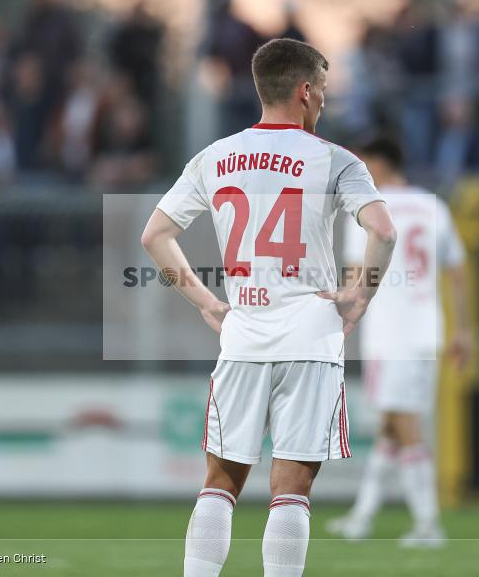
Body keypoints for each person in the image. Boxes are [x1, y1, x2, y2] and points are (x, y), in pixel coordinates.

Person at [141, 38, 396, 577]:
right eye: (322, 90)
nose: (323, 101)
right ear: (305, 92)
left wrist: (207, 302)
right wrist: (361, 293)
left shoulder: (216, 156)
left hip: (244, 335)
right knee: (292, 490)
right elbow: (384, 230)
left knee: (221, 481)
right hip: (311, 338)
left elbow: (155, 235)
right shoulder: (334, 159)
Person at [327, 137, 470, 547]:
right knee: (391, 425)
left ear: (377, 162)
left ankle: (428, 525)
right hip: (427, 331)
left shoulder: (368, 208)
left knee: (404, 425)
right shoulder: (433, 205)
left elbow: (357, 275)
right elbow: (457, 271)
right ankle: (363, 516)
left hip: (391, 334)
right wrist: (462, 329)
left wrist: (333, 315)